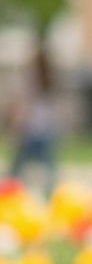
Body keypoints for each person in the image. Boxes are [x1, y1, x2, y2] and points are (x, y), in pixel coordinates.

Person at [7, 43, 63, 198]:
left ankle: (10, 192)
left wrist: (17, 124)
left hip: (32, 130)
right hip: (43, 130)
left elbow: (24, 106)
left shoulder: (34, 81)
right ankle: (50, 194)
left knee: (17, 168)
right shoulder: (48, 81)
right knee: (47, 167)